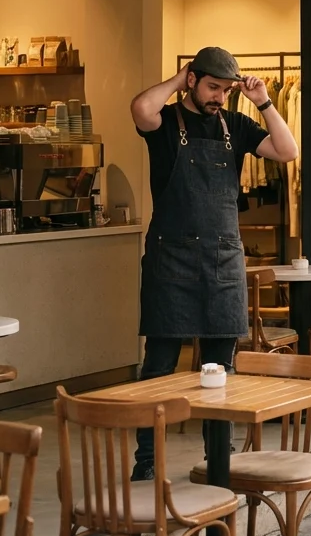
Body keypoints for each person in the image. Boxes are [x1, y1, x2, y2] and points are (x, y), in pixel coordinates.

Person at [128, 47, 299, 481]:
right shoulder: (165, 123)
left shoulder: (237, 126)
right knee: (159, 365)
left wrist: (263, 102)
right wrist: (178, 77)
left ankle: (215, 459)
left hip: (223, 260)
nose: (220, 97)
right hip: (172, 259)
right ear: (192, 80)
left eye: (226, 89)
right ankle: (147, 460)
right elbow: (140, 107)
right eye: (212, 87)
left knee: (221, 369)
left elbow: (287, 150)